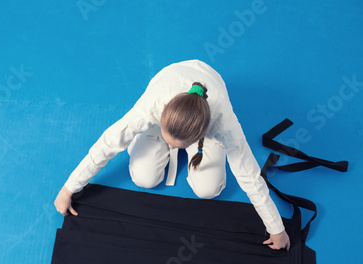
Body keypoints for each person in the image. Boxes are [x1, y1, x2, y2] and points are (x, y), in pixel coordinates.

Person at [54, 59, 290, 250]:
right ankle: (161, 136)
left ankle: (182, 140)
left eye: (177, 145)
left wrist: (276, 228)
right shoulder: (152, 106)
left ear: (204, 131)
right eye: (170, 142)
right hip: (169, 98)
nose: (172, 149)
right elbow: (106, 145)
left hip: (202, 115)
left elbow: (249, 175)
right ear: (164, 111)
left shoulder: (224, 124)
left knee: (208, 190)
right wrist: (69, 189)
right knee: (144, 179)